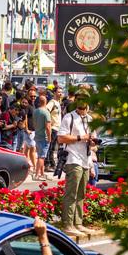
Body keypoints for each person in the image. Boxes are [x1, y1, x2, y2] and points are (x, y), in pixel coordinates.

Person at [57, 90, 97, 237]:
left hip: (85, 160)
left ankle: (78, 223)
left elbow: (93, 144)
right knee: (71, 193)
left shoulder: (90, 119)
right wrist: (81, 137)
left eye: (84, 99)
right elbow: (61, 138)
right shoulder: (69, 117)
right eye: (79, 99)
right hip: (73, 159)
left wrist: (92, 143)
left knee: (81, 194)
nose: (81, 102)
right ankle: (68, 224)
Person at [32, 95, 52, 181]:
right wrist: (49, 137)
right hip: (44, 137)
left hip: (37, 135)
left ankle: (42, 174)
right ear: (46, 101)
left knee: (40, 155)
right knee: (41, 157)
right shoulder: (46, 112)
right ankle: (37, 175)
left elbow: (34, 123)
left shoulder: (35, 111)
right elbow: (48, 127)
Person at [46, 87, 63, 171]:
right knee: (50, 147)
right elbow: (46, 111)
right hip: (53, 128)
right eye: (59, 92)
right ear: (54, 93)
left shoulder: (58, 103)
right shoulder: (52, 102)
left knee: (53, 148)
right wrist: (49, 122)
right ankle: (48, 164)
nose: (60, 94)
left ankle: (52, 164)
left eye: (61, 92)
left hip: (57, 128)